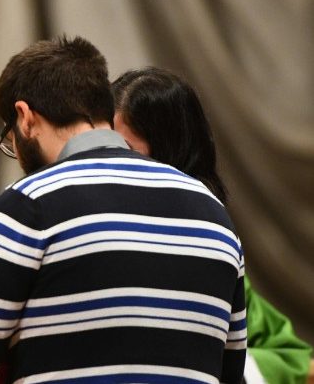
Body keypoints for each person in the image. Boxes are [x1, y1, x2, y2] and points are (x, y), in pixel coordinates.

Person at [0, 35, 247, 383]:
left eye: (10, 137)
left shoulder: (25, 207)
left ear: (25, 117)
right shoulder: (214, 214)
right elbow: (230, 372)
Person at [112, 66, 312, 384]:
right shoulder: (94, 221)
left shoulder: (210, 244)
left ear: (168, 149)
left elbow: (297, 360)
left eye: (125, 151)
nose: (106, 162)